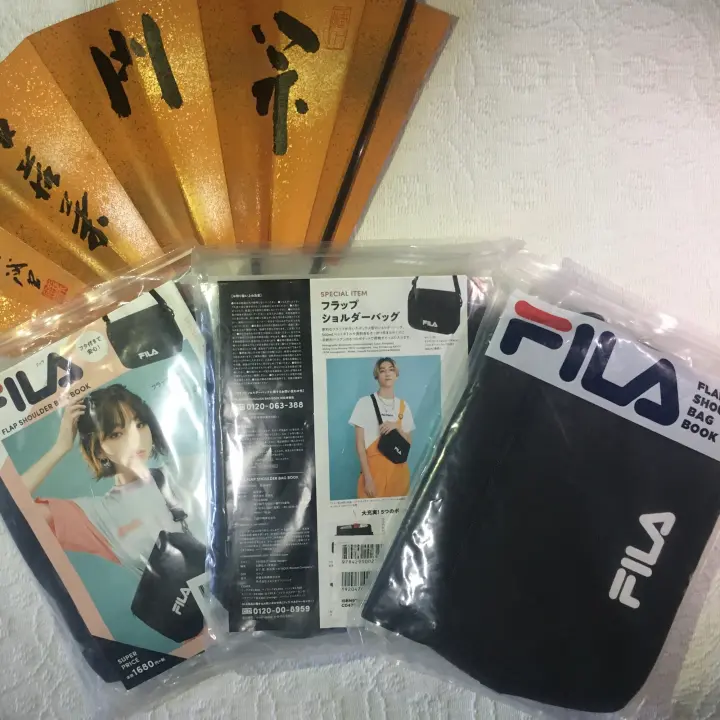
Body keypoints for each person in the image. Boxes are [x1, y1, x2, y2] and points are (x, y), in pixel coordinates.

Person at [21, 385, 192, 582]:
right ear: (99, 451)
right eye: (116, 434)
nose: (135, 438)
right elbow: (13, 507)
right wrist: (60, 448)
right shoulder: (99, 515)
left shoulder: (184, 471)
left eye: (139, 424)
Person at [350, 358, 415, 499]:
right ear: (377, 376)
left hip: (399, 473)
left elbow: (408, 443)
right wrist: (368, 478)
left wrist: (397, 427)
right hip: (373, 473)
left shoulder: (404, 406)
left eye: (391, 370)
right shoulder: (364, 403)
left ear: (396, 375)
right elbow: (360, 444)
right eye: (382, 370)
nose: (387, 374)